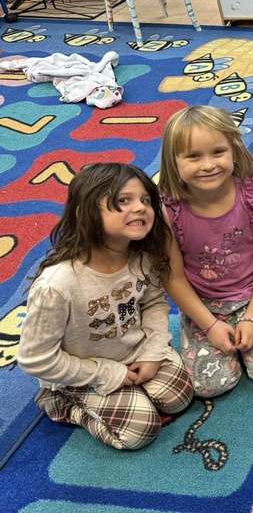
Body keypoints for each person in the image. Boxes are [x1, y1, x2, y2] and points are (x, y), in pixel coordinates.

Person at [18, 163, 193, 450]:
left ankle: (131, 392)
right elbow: (35, 359)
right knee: (139, 431)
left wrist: (153, 351)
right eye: (123, 201)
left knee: (179, 397)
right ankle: (62, 403)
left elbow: (153, 303)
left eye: (145, 200)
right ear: (85, 212)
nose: (139, 208)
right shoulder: (57, 285)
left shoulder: (141, 256)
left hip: (133, 352)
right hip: (85, 373)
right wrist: (107, 374)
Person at [159, 106, 253, 397]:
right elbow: (173, 278)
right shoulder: (168, 214)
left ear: (234, 151)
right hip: (205, 304)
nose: (208, 165)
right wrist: (209, 326)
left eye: (217, 152)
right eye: (193, 156)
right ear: (173, 162)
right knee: (207, 386)